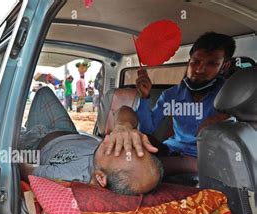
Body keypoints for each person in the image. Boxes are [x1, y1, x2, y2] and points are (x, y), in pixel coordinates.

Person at [19, 87, 162, 196]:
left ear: (100, 178)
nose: (109, 138)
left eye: (114, 149)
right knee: (44, 91)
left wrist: (13, 146)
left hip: (36, 139)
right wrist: (123, 126)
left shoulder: (66, 177)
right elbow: (124, 110)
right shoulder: (128, 168)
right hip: (67, 129)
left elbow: (23, 167)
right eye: (126, 143)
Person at [132, 32, 236, 174]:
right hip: (173, 150)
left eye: (211, 63)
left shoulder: (232, 94)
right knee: (138, 141)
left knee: (147, 170)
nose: (199, 69)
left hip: (209, 157)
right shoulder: (171, 95)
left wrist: (224, 118)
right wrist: (145, 96)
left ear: (224, 66)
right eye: (196, 62)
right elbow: (147, 129)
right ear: (189, 61)